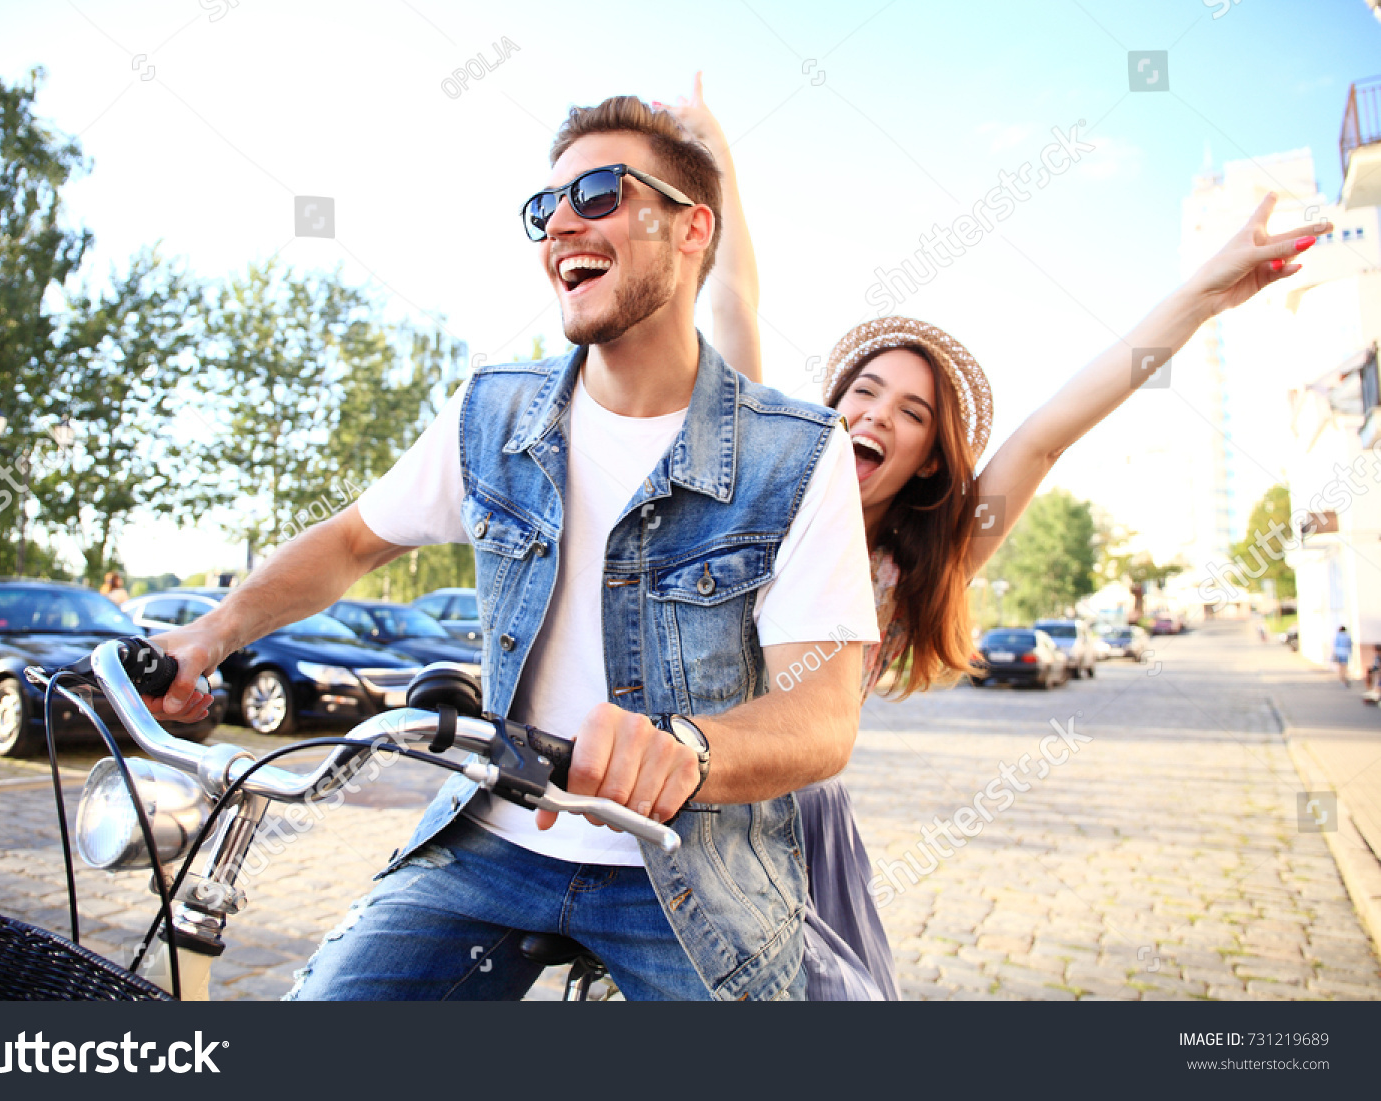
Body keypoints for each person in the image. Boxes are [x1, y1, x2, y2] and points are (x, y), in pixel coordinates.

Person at [141, 95, 879, 1001]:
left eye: (601, 192)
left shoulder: (797, 452)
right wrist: (204, 637)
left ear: (692, 229)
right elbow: (349, 541)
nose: (562, 221)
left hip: (690, 876)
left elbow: (821, 717)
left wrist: (688, 747)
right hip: (492, 846)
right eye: (546, 206)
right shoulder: (493, 414)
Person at [663, 74, 1333, 1000]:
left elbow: (1052, 428)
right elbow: (735, 302)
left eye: (911, 414)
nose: (877, 415)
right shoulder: (757, 491)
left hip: (797, 836)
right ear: (829, 409)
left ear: (929, 463)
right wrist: (717, 154)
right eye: (863, 392)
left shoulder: (909, 569)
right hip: (672, 783)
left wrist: (1204, 297)